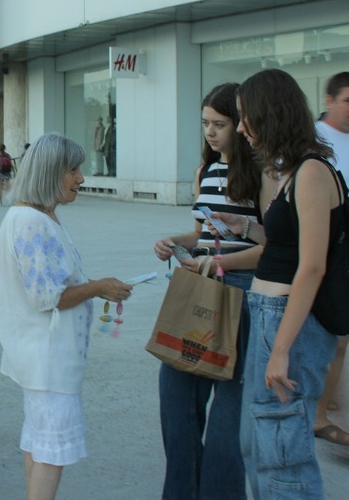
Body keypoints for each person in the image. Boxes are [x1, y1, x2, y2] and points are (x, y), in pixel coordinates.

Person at [217, 69, 340, 499]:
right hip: (270, 316)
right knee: (257, 443)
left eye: (246, 117)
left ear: (271, 115)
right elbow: (283, 247)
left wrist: (282, 349)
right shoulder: (291, 171)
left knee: (282, 453)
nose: (243, 128)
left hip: (291, 323)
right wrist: (245, 229)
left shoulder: (311, 172)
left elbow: (312, 267)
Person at [0, 133, 132, 500]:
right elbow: (47, 297)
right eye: (73, 169)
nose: (80, 178)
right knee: (51, 450)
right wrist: (98, 287)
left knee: (39, 441)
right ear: (50, 172)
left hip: (43, 357)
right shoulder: (31, 222)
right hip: (47, 358)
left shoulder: (39, 216)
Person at [151, 83, 266, 500]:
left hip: (241, 295)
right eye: (205, 124)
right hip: (198, 287)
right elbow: (202, 234)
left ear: (241, 125)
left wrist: (219, 263)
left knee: (227, 420)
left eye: (220, 124)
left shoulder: (261, 174)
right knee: (176, 402)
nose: (211, 132)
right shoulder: (206, 171)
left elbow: (269, 247)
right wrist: (175, 243)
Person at [312, 71, 349, 447]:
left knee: (341, 337)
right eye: (348, 100)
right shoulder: (314, 140)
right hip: (326, 246)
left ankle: (329, 401)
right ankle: (320, 414)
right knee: (334, 335)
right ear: (329, 99)